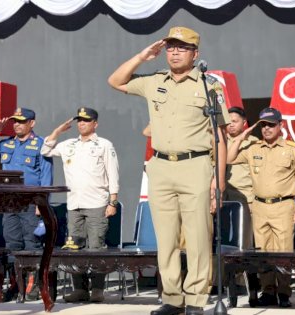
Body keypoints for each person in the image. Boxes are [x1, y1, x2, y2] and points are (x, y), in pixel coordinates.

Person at [107, 26, 229, 315]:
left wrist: (218, 182)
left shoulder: (209, 86)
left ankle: (197, 299)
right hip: (160, 167)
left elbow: (220, 137)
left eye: (182, 47)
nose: (174, 52)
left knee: (199, 236)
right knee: (166, 237)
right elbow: (115, 80)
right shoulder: (154, 81)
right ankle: (173, 299)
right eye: (171, 46)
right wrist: (142, 56)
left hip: (196, 165)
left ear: (195, 53)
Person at [227, 107, 295, 308]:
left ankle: (283, 293)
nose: (267, 129)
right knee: (262, 253)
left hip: (283, 206)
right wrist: (242, 137)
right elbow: (229, 159)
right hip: (260, 206)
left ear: (280, 126)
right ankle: (268, 292)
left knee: (283, 253)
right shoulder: (253, 148)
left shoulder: (291, 148)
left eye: (271, 125)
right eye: (263, 125)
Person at [41, 107, 119, 303]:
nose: (82, 123)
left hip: (97, 203)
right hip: (74, 204)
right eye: (79, 120)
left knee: (96, 247)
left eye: (86, 120)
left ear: (95, 123)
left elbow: (113, 173)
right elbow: (45, 149)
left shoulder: (104, 145)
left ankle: (98, 289)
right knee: (75, 248)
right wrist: (58, 131)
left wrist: (113, 202)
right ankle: (80, 289)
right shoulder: (69, 144)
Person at [0, 107, 53, 300]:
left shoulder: (41, 144)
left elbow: (46, 176)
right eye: (15, 121)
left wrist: (41, 204)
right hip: (9, 203)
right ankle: (16, 285)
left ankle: (33, 284)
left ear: (32, 123)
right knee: (12, 244)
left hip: (30, 201)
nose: (17, 125)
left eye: (21, 121)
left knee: (32, 243)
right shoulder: (7, 144)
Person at [224, 106, 257, 249]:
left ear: (244, 123)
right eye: (228, 121)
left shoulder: (253, 142)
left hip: (245, 197)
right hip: (223, 197)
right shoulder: (219, 141)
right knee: (224, 238)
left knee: (245, 239)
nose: (230, 124)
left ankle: (244, 270)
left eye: (235, 121)